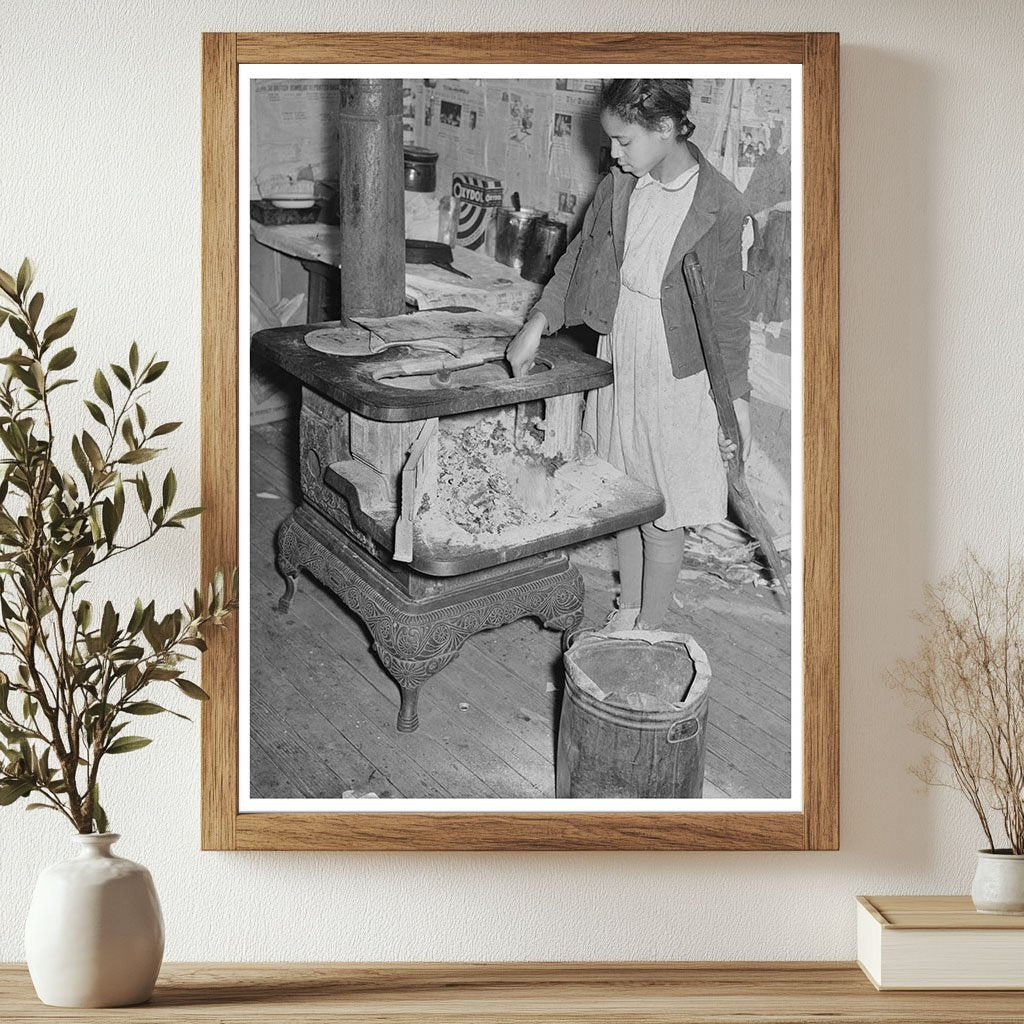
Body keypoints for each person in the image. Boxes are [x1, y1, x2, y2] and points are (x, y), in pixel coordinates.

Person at [506, 79, 753, 631]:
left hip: (676, 369)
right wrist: (538, 323)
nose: (613, 154)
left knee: (661, 511)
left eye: (625, 141)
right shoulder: (623, 184)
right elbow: (579, 258)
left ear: (666, 128)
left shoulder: (717, 205)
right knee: (625, 491)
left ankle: (649, 630)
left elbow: (730, 317)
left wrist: (737, 403)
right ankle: (631, 609)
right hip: (622, 348)